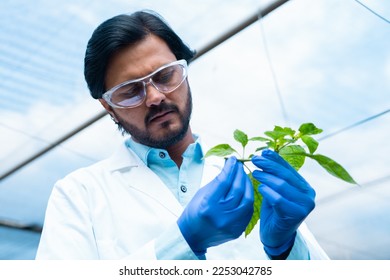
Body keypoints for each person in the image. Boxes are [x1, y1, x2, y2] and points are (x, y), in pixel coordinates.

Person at [36, 10, 329, 260]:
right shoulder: (79, 193)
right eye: (130, 91)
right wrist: (181, 244)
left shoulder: (251, 175)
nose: (154, 97)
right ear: (108, 107)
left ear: (185, 73)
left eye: (165, 76)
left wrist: (286, 249)